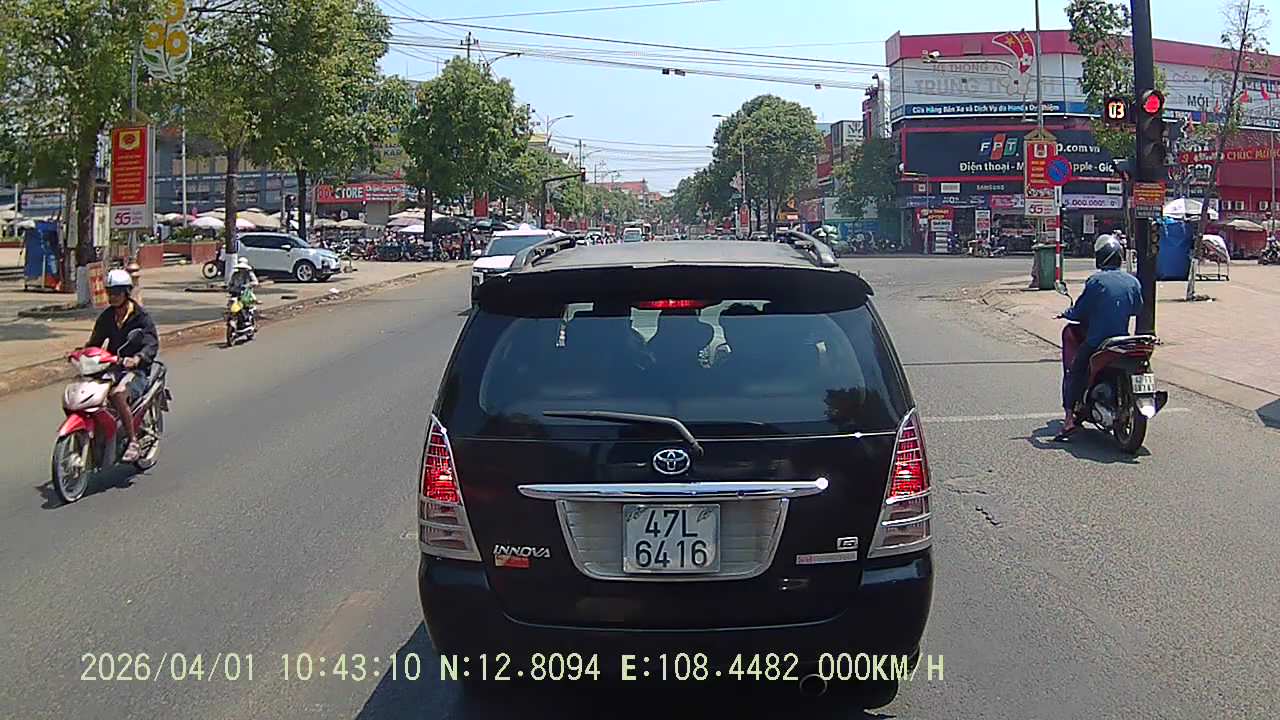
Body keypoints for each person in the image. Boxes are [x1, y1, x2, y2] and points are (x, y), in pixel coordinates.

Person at [1057, 235, 1144, 437]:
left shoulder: (1096, 281)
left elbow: (1080, 310)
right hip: (1123, 340)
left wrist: (1067, 313)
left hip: (1098, 341)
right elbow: (1137, 309)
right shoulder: (1133, 281)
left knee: (1076, 370)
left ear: (1100, 257)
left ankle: (1069, 419)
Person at [86, 269, 159, 462]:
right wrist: (81, 354)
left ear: (126, 292)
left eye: (117, 292)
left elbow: (151, 344)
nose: (112, 296)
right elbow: (95, 342)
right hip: (113, 367)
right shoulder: (107, 317)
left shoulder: (141, 317)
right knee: (90, 392)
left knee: (118, 394)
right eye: (110, 292)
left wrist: (138, 358)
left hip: (136, 371)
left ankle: (133, 442)